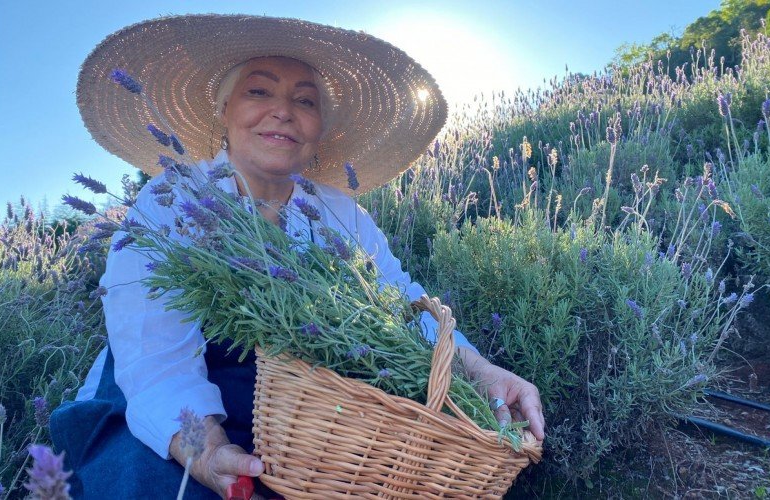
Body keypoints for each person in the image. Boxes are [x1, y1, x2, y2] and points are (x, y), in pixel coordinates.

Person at [51, 14, 545, 499]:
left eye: (304, 101)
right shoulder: (171, 201)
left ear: (320, 129)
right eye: (259, 91)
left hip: (301, 416)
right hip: (174, 408)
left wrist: (481, 372)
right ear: (224, 110)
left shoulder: (339, 214)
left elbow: (402, 303)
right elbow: (156, 361)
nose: (283, 111)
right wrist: (207, 455)